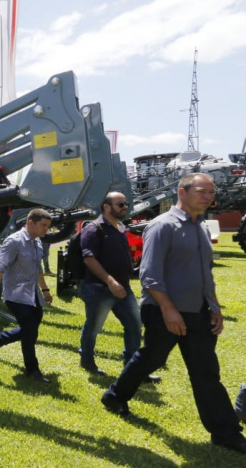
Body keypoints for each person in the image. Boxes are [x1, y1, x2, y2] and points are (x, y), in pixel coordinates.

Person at [101, 174, 246, 453]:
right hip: (162, 310)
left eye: (211, 193)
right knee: (152, 357)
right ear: (182, 191)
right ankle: (115, 395)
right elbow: (149, 275)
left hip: (198, 312)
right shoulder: (161, 226)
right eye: (202, 191)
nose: (208, 197)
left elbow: (206, 275)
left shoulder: (202, 228)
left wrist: (214, 308)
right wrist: (169, 310)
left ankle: (226, 432)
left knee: (206, 372)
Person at [77, 192, 159, 382]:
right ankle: (87, 360)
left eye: (126, 204)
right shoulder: (93, 228)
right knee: (94, 327)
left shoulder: (120, 228)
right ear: (106, 206)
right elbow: (89, 259)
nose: (125, 207)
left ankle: (133, 367)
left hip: (123, 288)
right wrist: (110, 281)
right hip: (99, 288)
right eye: (120, 204)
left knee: (134, 325)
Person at [0, 209, 54, 382]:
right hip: (15, 295)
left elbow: (38, 270)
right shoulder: (14, 241)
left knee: (32, 326)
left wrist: (45, 290)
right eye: (44, 225)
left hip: (33, 294)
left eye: (48, 226)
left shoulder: (36, 242)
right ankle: (32, 370)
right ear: (31, 223)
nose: (47, 229)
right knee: (30, 332)